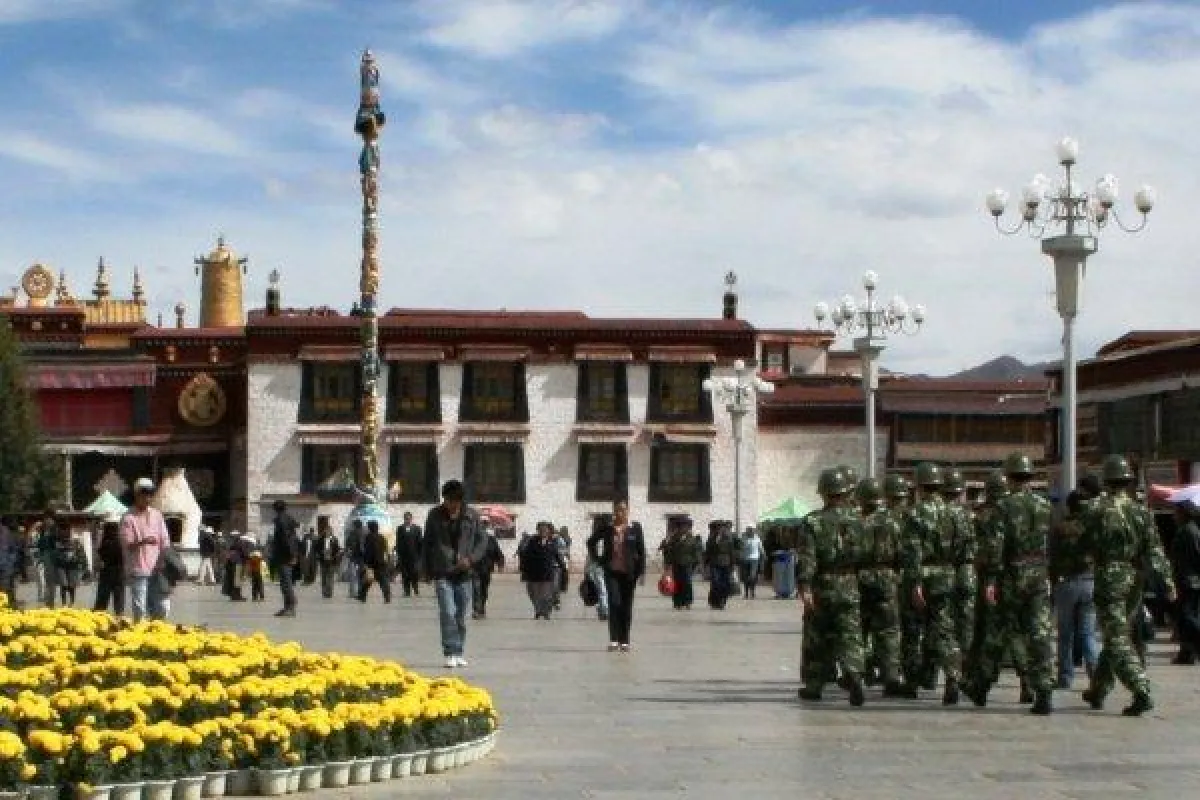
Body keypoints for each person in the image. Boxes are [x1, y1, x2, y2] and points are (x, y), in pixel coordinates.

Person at [1082, 455, 1174, 716]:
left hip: (1108, 576)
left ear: (1106, 480)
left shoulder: (1094, 509)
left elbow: (1082, 544)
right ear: (1128, 481)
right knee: (1118, 633)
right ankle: (1098, 689)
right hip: (1134, 577)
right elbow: (1154, 550)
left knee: (1116, 638)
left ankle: (1141, 689)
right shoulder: (1141, 511)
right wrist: (1167, 583)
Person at [965, 453, 1056, 714]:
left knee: (998, 632)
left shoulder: (1004, 507)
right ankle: (1043, 689)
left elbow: (995, 547)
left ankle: (980, 686)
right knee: (1039, 633)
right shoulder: (1044, 505)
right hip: (1038, 573)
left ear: (1008, 477)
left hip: (1012, 574)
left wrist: (991, 579)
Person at [903, 462, 973, 705]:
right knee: (943, 628)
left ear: (919, 486)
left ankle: (923, 680)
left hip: (926, 575)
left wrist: (915, 583)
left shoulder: (915, 513)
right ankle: (944, 676)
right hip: (950, 574)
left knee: (921, 631)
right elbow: (967, 549)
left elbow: (912, 552)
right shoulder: (957, 513)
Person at [797, 468, 865, 705]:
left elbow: (808, 557)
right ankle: (854, 674)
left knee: (817, 636)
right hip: (850, 583)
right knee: (851, 634)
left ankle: (815, 685)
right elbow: (865, 555)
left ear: (824, 493)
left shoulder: (813, 521)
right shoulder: (859, 520)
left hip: (822, 585)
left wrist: (805, 586)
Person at [857, 478, 914, 698]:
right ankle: (891, 677)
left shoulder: (856, 521)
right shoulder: (895, 522)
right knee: (889, 631)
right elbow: (905, 553)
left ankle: (857, 674)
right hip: (888, 578)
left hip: (861, 577)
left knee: (859, 630)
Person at [422, 480, 488, 669]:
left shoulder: (472, 516)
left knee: (461, 615)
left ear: (460, 501)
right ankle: (450, 651)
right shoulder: (434, 515)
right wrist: (425, 569)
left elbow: (482, 541)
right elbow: (427, 542)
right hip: (443, 571)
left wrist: (471, 559)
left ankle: (459, 651)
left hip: (465, 572)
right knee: (447, 612)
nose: (450, 505)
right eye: (447, 500)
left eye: (454, 501)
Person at [1050, 490, 1099, 688]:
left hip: (1067, 583)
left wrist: (1052, 583)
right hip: (1090, 581)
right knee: (1088, 633)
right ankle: (1095, 675)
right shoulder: (1092, 528)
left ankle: (1065, 676)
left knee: (1065, 634)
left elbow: (1052, 556)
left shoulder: (1060, 529)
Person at [587, 499, 646, 652]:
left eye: (623, 509)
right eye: (618, 509)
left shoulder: (635, 528)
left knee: (626, 606)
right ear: (614, 511)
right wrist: (598, 559)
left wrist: (641, 572)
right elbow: (591, 541)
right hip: (611, 572)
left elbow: (641, 550)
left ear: (628, 511)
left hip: (629, 573)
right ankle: (613, 639)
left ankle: (624, 640)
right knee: (614, 603)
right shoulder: (607, 528)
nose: (621, 512)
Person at [119, 478, 166, 622]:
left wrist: (163, 559)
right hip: (138, 568)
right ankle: (140, 635)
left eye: (150, 495)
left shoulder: (157, 515)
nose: (147, 498)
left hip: (157, 568)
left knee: (162, 606)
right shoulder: (128, 518)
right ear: (136, 495)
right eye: (143, 494)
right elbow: (127, 544)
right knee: (140, 607)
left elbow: (165, 540)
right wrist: (143, 541)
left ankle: (155, 631)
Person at [521, 521, 565, 619]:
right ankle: (538, 610)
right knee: (533, 594)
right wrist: (524, 570)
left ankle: (546, 612)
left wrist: (563, 567)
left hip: (547, 573)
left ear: (548, 531)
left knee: (547, 595)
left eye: (545, 530)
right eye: (541, 530)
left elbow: (557, 556)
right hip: (534, 573)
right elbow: (526, 556)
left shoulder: (552, 543)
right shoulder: (532, 542)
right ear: (538, 531)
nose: (543, 532)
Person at [149, 518, 187, 620]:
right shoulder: (166, 549)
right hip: (161, 582)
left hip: (148, 582)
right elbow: (180, 567)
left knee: (154, 609)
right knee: (162, 608)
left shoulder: (147, 546)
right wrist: (180, 576)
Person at [269, 500, 300, 617]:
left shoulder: (282, 521)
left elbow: (287, 539)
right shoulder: (286, 519)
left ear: (275, 509)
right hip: (284, 555)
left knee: (286, 582)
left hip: (285, 556)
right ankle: (287, 606)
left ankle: (291, 607)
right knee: (284, 582)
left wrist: (292, 555)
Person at [92, 513, 126, 615]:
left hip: (111, 571)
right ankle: (117, 617)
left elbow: (99, 553)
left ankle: (100, 617)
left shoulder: (106, 539)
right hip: (115, 571)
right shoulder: (119, 538)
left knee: (104, 600)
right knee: (116, 601)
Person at [661, 518, 696, 610]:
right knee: (677, 583)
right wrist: (667, 564)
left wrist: (696, 563)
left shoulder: (692, 538)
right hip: (676, 563)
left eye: (685, 527)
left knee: (687, 583)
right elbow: (667, 550)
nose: (683, 529)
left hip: (688, 563)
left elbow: (696, 551)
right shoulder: (673, 538)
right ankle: (677, 602)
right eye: (681, 527)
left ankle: (688, 602)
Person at [472, 525, 506, 619]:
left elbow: (498, 553)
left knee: (483, 590)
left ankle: (482, 607)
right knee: (475, 588)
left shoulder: (491, 540)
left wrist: (500, 565)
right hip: (474, 568)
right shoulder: (471, 540)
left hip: (487, 569)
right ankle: (476, 609)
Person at [358, 519, 393, 603]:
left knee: (368, 580)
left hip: (371, 563)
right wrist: (387, 560)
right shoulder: (381, 537)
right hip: (381, 562)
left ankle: (362, 596)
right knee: (383, 581)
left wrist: (366, 562)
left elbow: (368, 551)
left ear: (370, 528)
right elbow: (386, 549)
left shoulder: (368, 537)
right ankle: (387, 597)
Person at [395, 511, 423, 597]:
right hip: (404, 556)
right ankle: (407, 591)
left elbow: (420, 542)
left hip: (414, 556)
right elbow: (398, 542)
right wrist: (398, 554)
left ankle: (416, 589)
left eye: (408, 518)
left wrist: (420, 555)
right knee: (405, 574)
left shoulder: (417, 529)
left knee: (414, 573)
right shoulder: (400, 528)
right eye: (406, 518)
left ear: (411, 519)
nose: (407, 520)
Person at [314, 521, 342, 599]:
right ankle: (324, 592)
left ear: (331, 531)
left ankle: (329, 593)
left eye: (329, 531)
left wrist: (336, 555)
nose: (327, 532)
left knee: (330, 577)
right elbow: (316, 549)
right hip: (323, 561)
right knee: (323, 577)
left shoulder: (334, 539)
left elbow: (338, 549)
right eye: (326, 531)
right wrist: (320, 553)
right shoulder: (320, 539)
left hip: (331, 561)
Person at [739, 526, 765, 599]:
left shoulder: (757, 538)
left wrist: (763, 554)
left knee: (752, 576)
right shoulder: (743, 538)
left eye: (752, 530)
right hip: (744, 559)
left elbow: (761, 548)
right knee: (745, 577)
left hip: (754, 559)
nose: (751, 531)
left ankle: (752, 592)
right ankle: (746, 593)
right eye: (749, 530)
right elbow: (740, 548)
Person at [0, 517, 20, 608]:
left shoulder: (6, 532)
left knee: (5, 589)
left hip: (5, 566)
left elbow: (13, 549)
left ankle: (7, 610)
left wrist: (10, 562)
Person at [344, 519, 365, 598]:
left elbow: (347, 544)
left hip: (359, 558)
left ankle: (357, 592)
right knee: (355, 575)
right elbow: (348, 544)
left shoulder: (363, 534)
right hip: (355, 557)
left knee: (358, 575)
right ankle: (354, 592)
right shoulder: (353, 534)